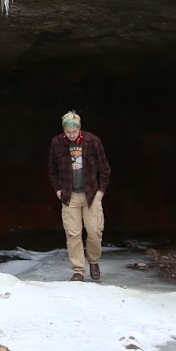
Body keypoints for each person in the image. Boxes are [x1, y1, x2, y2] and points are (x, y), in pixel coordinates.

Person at [47, 110, 111, 282]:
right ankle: (78, 270)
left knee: (95, 231)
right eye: (68, 132)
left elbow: (104, 169)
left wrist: (100, 193)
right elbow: (52, 170)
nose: (71, 135)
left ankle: (94, 261)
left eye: (74, 132)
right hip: (70, 195)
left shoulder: (92, 141)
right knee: (73, 233)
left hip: (91, 194)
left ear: (79, 128)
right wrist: (58, 190)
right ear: (64, 130)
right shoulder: (57, 143)